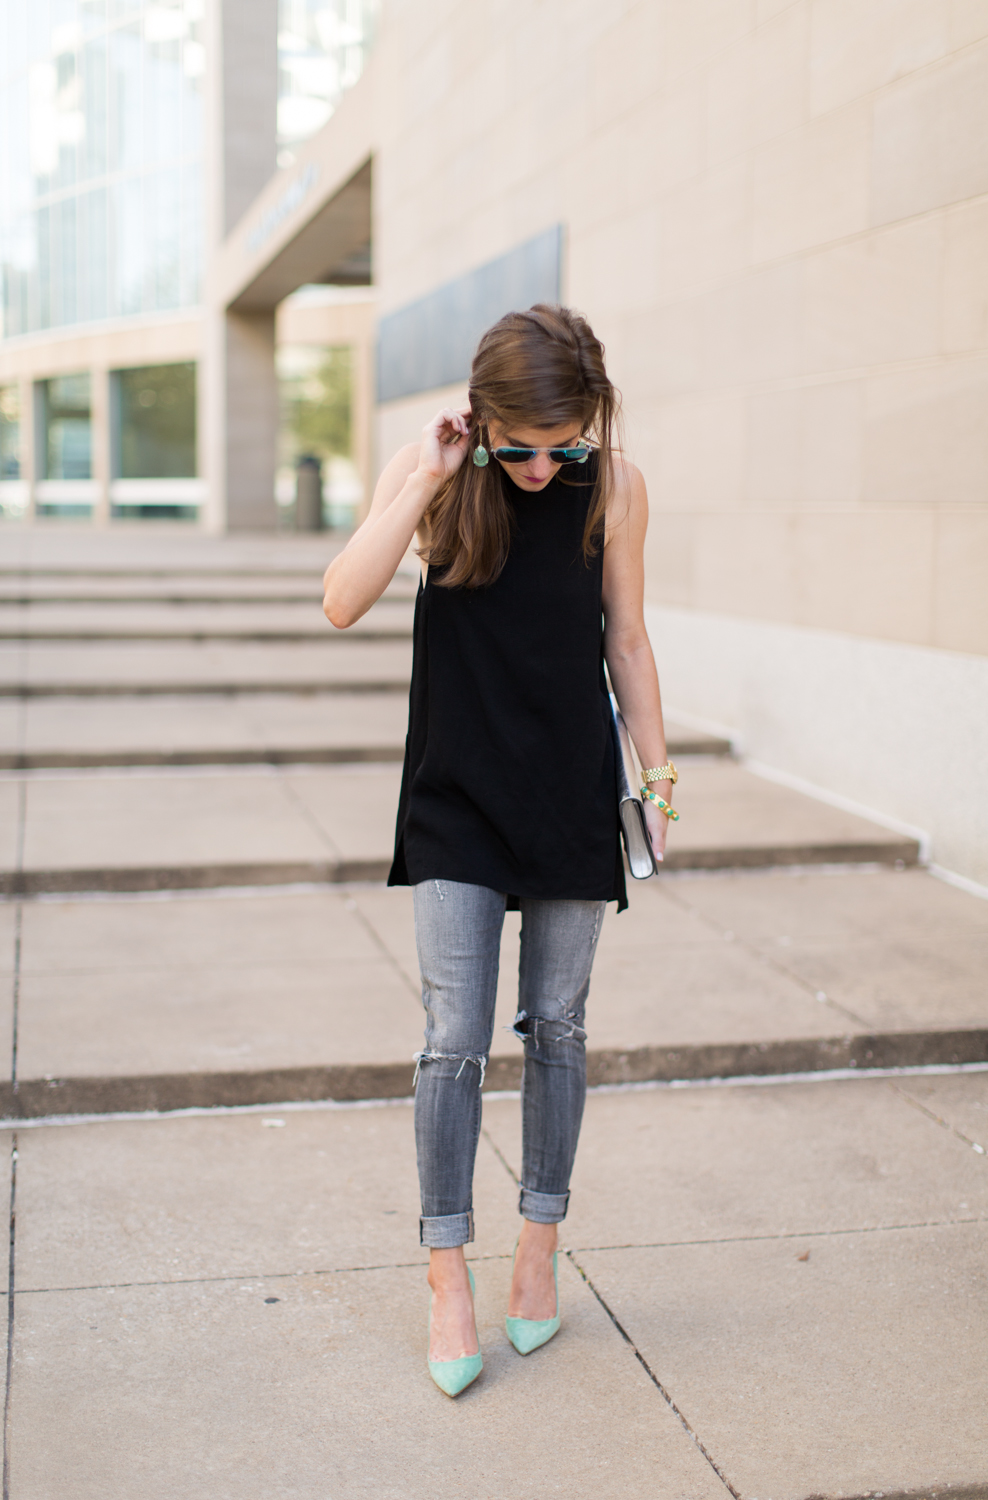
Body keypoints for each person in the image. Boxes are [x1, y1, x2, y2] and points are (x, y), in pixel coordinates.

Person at [322, 304, 676, 1396]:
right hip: (457, 793)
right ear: (481, 416)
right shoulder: (439, 473)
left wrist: (656, 777)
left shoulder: (613, 484)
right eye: (516, 443)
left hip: (569, 786)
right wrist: (428, 479)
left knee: (559, 1027)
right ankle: (446, 1276)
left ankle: (537, 1248)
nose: (536, 465)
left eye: (558, 445)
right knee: (452, 1040)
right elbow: (340, 600)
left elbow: (624, 636)